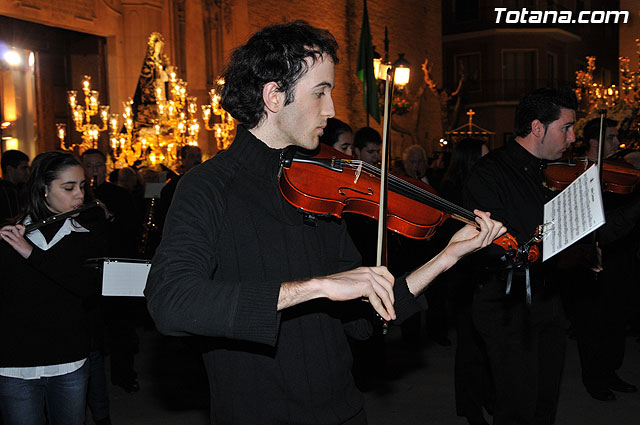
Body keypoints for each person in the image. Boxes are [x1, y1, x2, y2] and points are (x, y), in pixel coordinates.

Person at [145, 21, 505, 425]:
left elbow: (367, 318)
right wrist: (315, 287)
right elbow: (171, 303)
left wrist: (447, 255)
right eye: (320, 92)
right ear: (274, 95)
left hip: (344, 411)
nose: (331, 110)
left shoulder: (322, 186)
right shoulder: (207, 186)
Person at [463, 87, 582, 425]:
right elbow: (497, 242)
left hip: (548, 299)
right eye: (566, 127)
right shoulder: (490, 173)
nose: (573, 137)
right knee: (517, 405)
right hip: (507, 304)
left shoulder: (551, 171)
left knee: (546, 401)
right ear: (538, 128)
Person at [0, 152, 105, 425]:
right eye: (68, 187)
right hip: (14, 363)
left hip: (68, 361)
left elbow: (86, 287)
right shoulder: (11, 234)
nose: (79, 195)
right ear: (44, 189)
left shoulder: (85, 234)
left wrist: (31, 253)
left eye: (82, 186)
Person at [561, 118, 640, 401]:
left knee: (617, 320)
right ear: (593, 142)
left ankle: (610, 371)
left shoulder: (625, 171)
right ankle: (594, 378)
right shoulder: (579, 173)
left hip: (621, 257)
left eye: (617, 137)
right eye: (610, 138)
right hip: (589, 259)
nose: (616, 143)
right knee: (592, 324)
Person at [439, 138, 493, 425]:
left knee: (485, 346)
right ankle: (470, 407)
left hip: (482, 275)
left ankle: (485, 396)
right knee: (470, 348)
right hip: (463, 278)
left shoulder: (481, 186)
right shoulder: (452, 191)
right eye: (482, 158)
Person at [81, 149, 141, 394]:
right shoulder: (77, 197)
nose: (95, 170)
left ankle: (124, 374)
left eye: (99, 165)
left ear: (106, 168)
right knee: (92, 329)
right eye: (89, 166)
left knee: (121, 327)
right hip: (89, 271)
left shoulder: (120, 195)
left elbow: (132, 233)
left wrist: (109, 216)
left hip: (117, 269)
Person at [0, 149, 30, 224]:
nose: (27, 172)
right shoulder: (5, 190)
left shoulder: (21, 189)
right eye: (24, 168)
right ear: (10, 169)